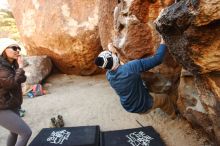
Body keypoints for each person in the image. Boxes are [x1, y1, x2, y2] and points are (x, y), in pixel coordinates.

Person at [95, 37, 176, 118]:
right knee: (165, 99)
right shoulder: (131, 67)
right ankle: (173, 116)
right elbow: (157, 59)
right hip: (143, 105)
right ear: (115, 58)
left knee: (142, 81)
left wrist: (113, 52)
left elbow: (117, 65)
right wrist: (163, 42)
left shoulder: (109, 75)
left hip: (128, 106)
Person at [0, 38, 32, 146]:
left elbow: (22, 80)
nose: (17, 50)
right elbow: (11, 83)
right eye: (14, 48)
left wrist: (19, 67)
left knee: (14, 133)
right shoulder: (1, 67)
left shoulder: (12, 65)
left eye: (18, 48)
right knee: (26, 133)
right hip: (2, 107)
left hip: (10, 103)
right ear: (4, 50)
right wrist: (21, 67)